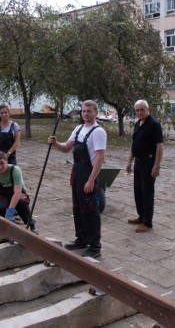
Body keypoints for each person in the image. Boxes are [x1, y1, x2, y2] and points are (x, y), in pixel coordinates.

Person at [48, 100, 106, 259]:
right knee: (77, 207)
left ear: (96, 113)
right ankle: (82, 238)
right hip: (77, 171)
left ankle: (95, 246)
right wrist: (55, 144)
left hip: (89, 172)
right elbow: (67, 147)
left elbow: (100, 159)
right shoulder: (78, 129)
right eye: (84, 111)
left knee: (90, 209)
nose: (86, 114)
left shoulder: (98, 132)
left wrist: (91, 180)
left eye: (89, 111)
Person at [126, 100, 164, 233]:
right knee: (138, 191)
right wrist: (129, 161)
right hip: (138, 162)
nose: (139, 112)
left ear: (148, 109)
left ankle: (147, 222)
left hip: (149, 163)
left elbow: (160, 146)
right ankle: (141, 216)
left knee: (147, 192)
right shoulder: (138, 124)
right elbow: (134, 144)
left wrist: (156, 166)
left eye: (142, 109)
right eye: (137, 110)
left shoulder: (154, 124)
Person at [0, 151, 37, 232]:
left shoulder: (15, 170)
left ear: (6, 161)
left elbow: (17, 192)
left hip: (18, 194)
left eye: (2, 163)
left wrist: (10, 211)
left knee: (21, 202)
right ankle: (7, 225)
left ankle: (31, 225)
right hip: (4, 195)